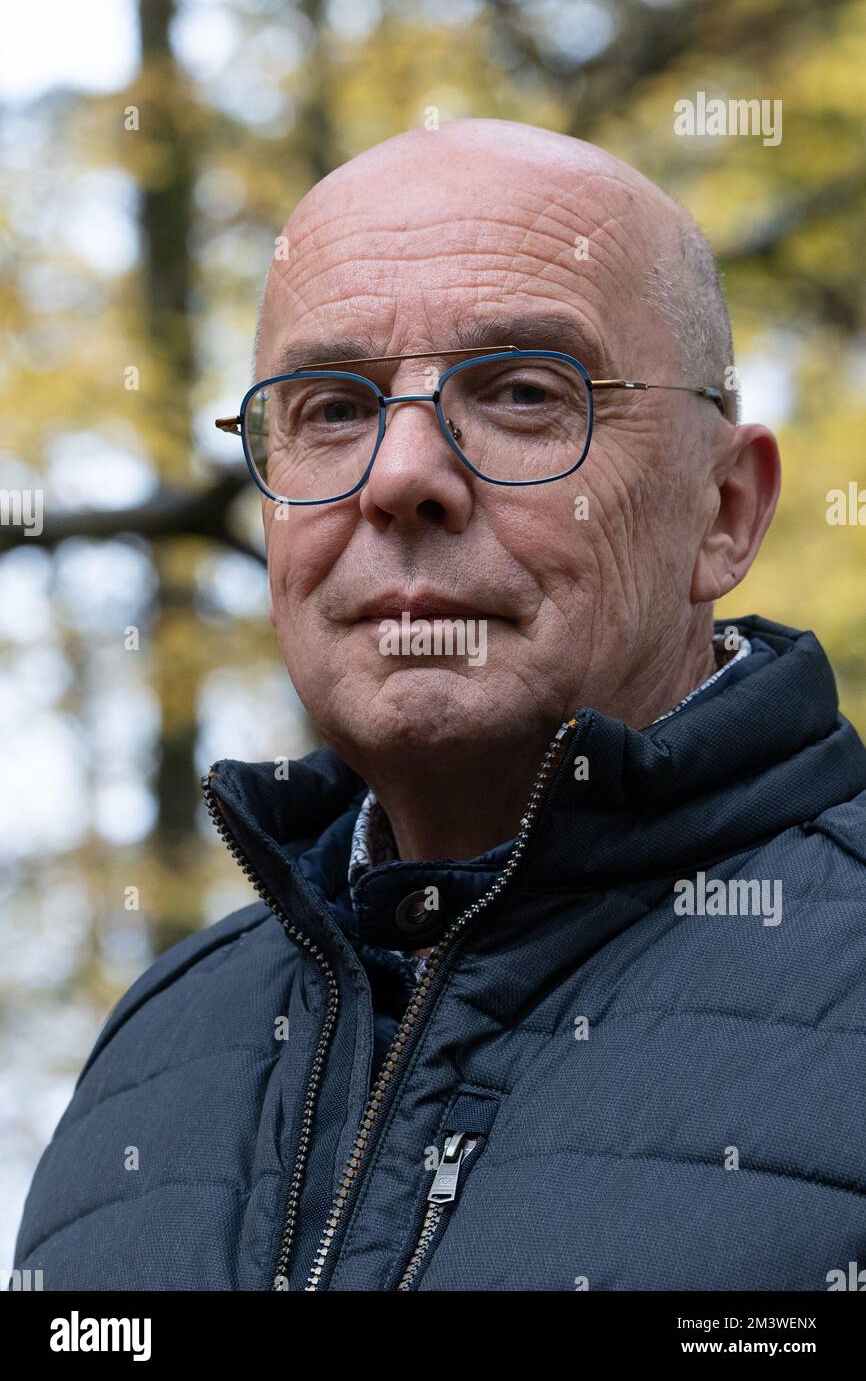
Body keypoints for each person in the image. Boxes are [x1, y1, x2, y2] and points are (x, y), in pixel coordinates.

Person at [14, 119, 866, 1291]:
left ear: (721, 509)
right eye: (329, 407)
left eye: (522, 392)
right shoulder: (158, 1050)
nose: (402, 475)